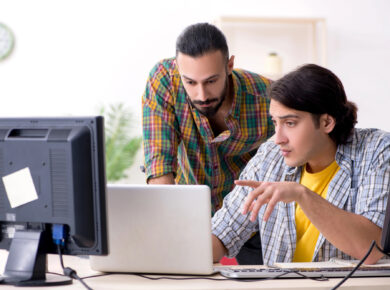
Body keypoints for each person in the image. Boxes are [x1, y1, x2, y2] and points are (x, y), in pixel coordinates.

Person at [212, 63, 390, 265]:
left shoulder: (377, 150)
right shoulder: (269, 157)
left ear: (326, 123)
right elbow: (222, 232)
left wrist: (302, 194)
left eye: (290, 123)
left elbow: (372, 249)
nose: (278, 138)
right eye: (275, 122)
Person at [142, 23, 274, 264]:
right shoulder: (164, 80)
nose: (201, 95)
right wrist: (164, 234)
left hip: (251, 223)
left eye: (211, 81)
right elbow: (159, 164)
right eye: (190, 82)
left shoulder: (266, 97)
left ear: (230, 65)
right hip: (188, 218)